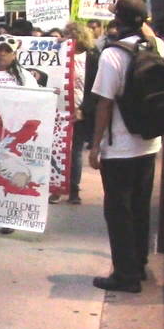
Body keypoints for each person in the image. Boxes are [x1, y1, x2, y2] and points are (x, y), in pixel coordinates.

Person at [88, 0, 164, 293]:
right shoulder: (157, 46)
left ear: (117, 21)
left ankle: (126, 275)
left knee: (118, 211)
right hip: (149, 144)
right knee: (140, 207)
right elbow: (147, 33)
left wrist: (95, 145)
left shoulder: (112, 55)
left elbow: (104, 105)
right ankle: (140, 264)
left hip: (119, 147)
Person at [0, 34, 39, 237]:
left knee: (12, 174)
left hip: (12, 136)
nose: (2, 54)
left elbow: (36, 100)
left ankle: (10, 217)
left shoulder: (25, 77)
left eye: (7, 51)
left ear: (14, 54)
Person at [53, 21, 100, 205]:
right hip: (59, 110)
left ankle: (74, 189)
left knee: (75, 151)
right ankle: (56, 189)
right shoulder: (59, 54)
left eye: (73, 36)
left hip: (80, 110)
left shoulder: (92, 57)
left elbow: (95, 88)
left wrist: (84, 109)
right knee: (57, 150)